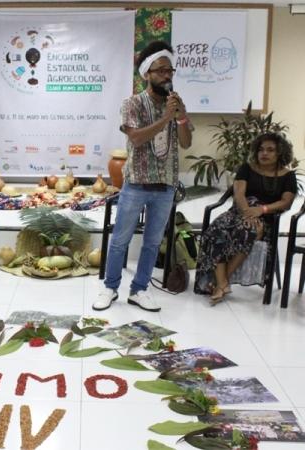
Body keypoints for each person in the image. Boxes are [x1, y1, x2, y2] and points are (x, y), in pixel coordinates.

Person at [92, 41, 193, 312]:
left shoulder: (176, 105)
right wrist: (165, 119)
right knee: (120, 240)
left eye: (169, 70)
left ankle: (139, 290)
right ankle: (110, 288)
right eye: (160, 71)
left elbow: (185, 143)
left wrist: (180, 117)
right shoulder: (132, 103)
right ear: (147, 74)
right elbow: (136, 138)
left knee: (151, 243)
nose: (166, 75)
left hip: (167, 185)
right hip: (137, 184)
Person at [195, 132, 296, 304]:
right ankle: (223, 284)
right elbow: (238, 193)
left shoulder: (287, 176)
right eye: (261, 149)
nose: (264, 153)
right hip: (240, 211)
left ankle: (221, 282)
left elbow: (286, 203)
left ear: (280, 153)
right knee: (216, 230)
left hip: (266, 217)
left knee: (247, 231)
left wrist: (261, 210)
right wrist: (247, 211)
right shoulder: (247, 168)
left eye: (270, 150)